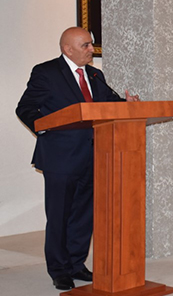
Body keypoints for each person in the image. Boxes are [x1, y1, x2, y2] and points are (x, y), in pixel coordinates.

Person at [16, 27, 139, 291]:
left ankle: (76, 264)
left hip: (95, 155)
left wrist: (127, 103)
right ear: (67, 49)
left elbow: (108, 103)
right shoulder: (46, 72)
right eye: (85, 45)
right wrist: (44, 127)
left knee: (83, 216)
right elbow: (25, 108)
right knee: (59, 216)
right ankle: (59, 270)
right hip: (60, 156)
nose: (91, 49)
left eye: (91, 44)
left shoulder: (95, 74)